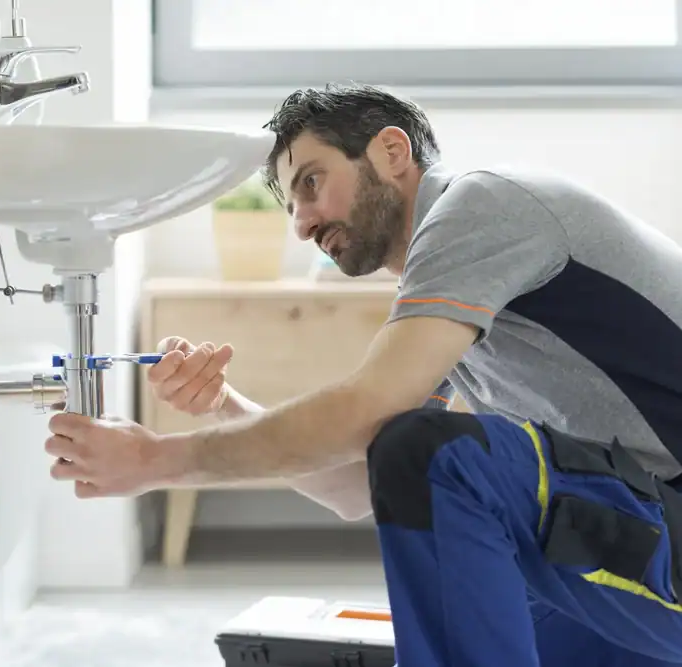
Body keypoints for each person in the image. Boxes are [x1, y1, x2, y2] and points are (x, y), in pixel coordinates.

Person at [44, 82, 682, 666]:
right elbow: (358, 486)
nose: (302, 223)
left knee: (439, 456)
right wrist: (224, 406)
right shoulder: (460, 301)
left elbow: (377, 419)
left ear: (391, 151)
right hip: (638, 533)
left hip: (662, 527)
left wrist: (158, 460)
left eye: (311, 183)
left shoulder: (482, 206)